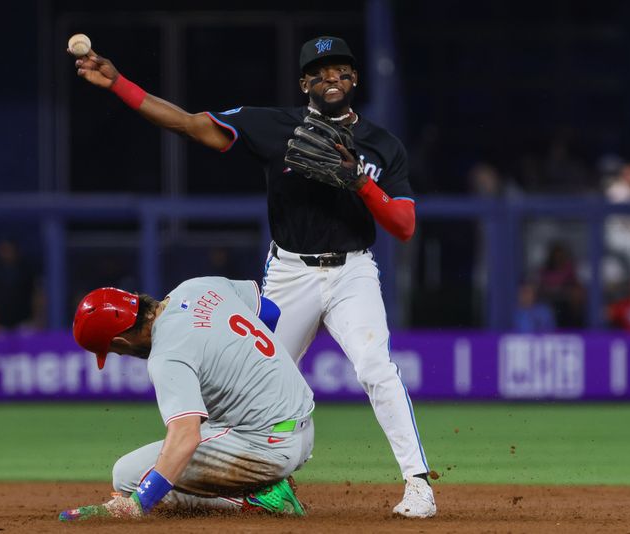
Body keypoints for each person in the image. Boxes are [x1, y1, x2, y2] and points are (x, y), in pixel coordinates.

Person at [71, 35, 435, 518]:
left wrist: (361, 182)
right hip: (289, 271)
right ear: (304, 81)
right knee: (247, 376)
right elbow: (188, 125)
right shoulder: (273, 125)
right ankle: (263, 483)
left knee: (374, 367)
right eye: (321, 71)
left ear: (354, 78)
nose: (332, 78)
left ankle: (417, 483)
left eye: (341, 69)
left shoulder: (381, 145)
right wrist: (119, 84)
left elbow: (404, 227)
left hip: (351, 270)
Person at [59, 276, 314, 520]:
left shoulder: (166, 355)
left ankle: (257, 500)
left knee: (127, 476)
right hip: (302, 424)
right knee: (195, 433)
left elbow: (185, 436)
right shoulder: (198, 287)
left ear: (120, 341)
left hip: (266, 448)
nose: (121, 355)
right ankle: (262, 481)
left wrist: (139, 503)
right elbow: (269, 311)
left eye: (114, 351)